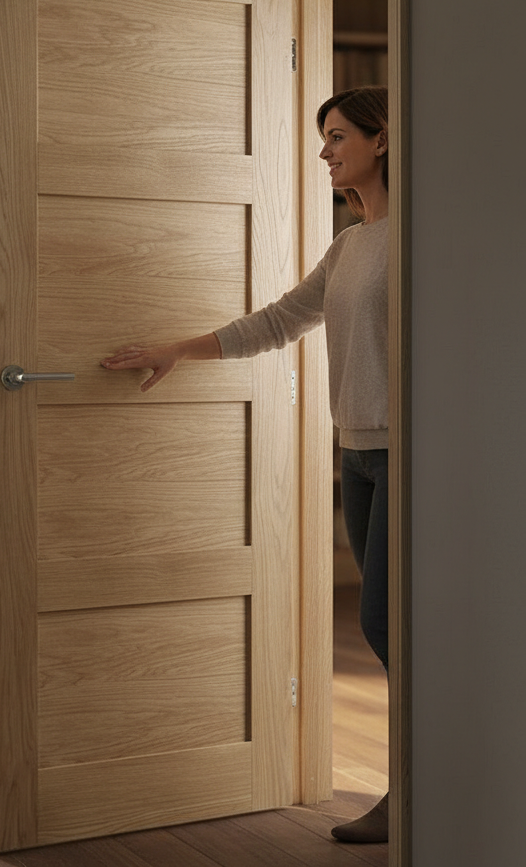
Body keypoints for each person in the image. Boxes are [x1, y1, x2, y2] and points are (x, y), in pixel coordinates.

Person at [101, 85, 390, 844]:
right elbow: (277, 322)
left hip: (409, 456)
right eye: (324, 139)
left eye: (337, 137)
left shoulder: (427, 236)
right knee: (393, 623)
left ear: (382, 139)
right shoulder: (351, 244)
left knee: (390, 622)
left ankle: (423, 787)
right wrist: (176, 351)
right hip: (356, 453)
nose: (325, 153)